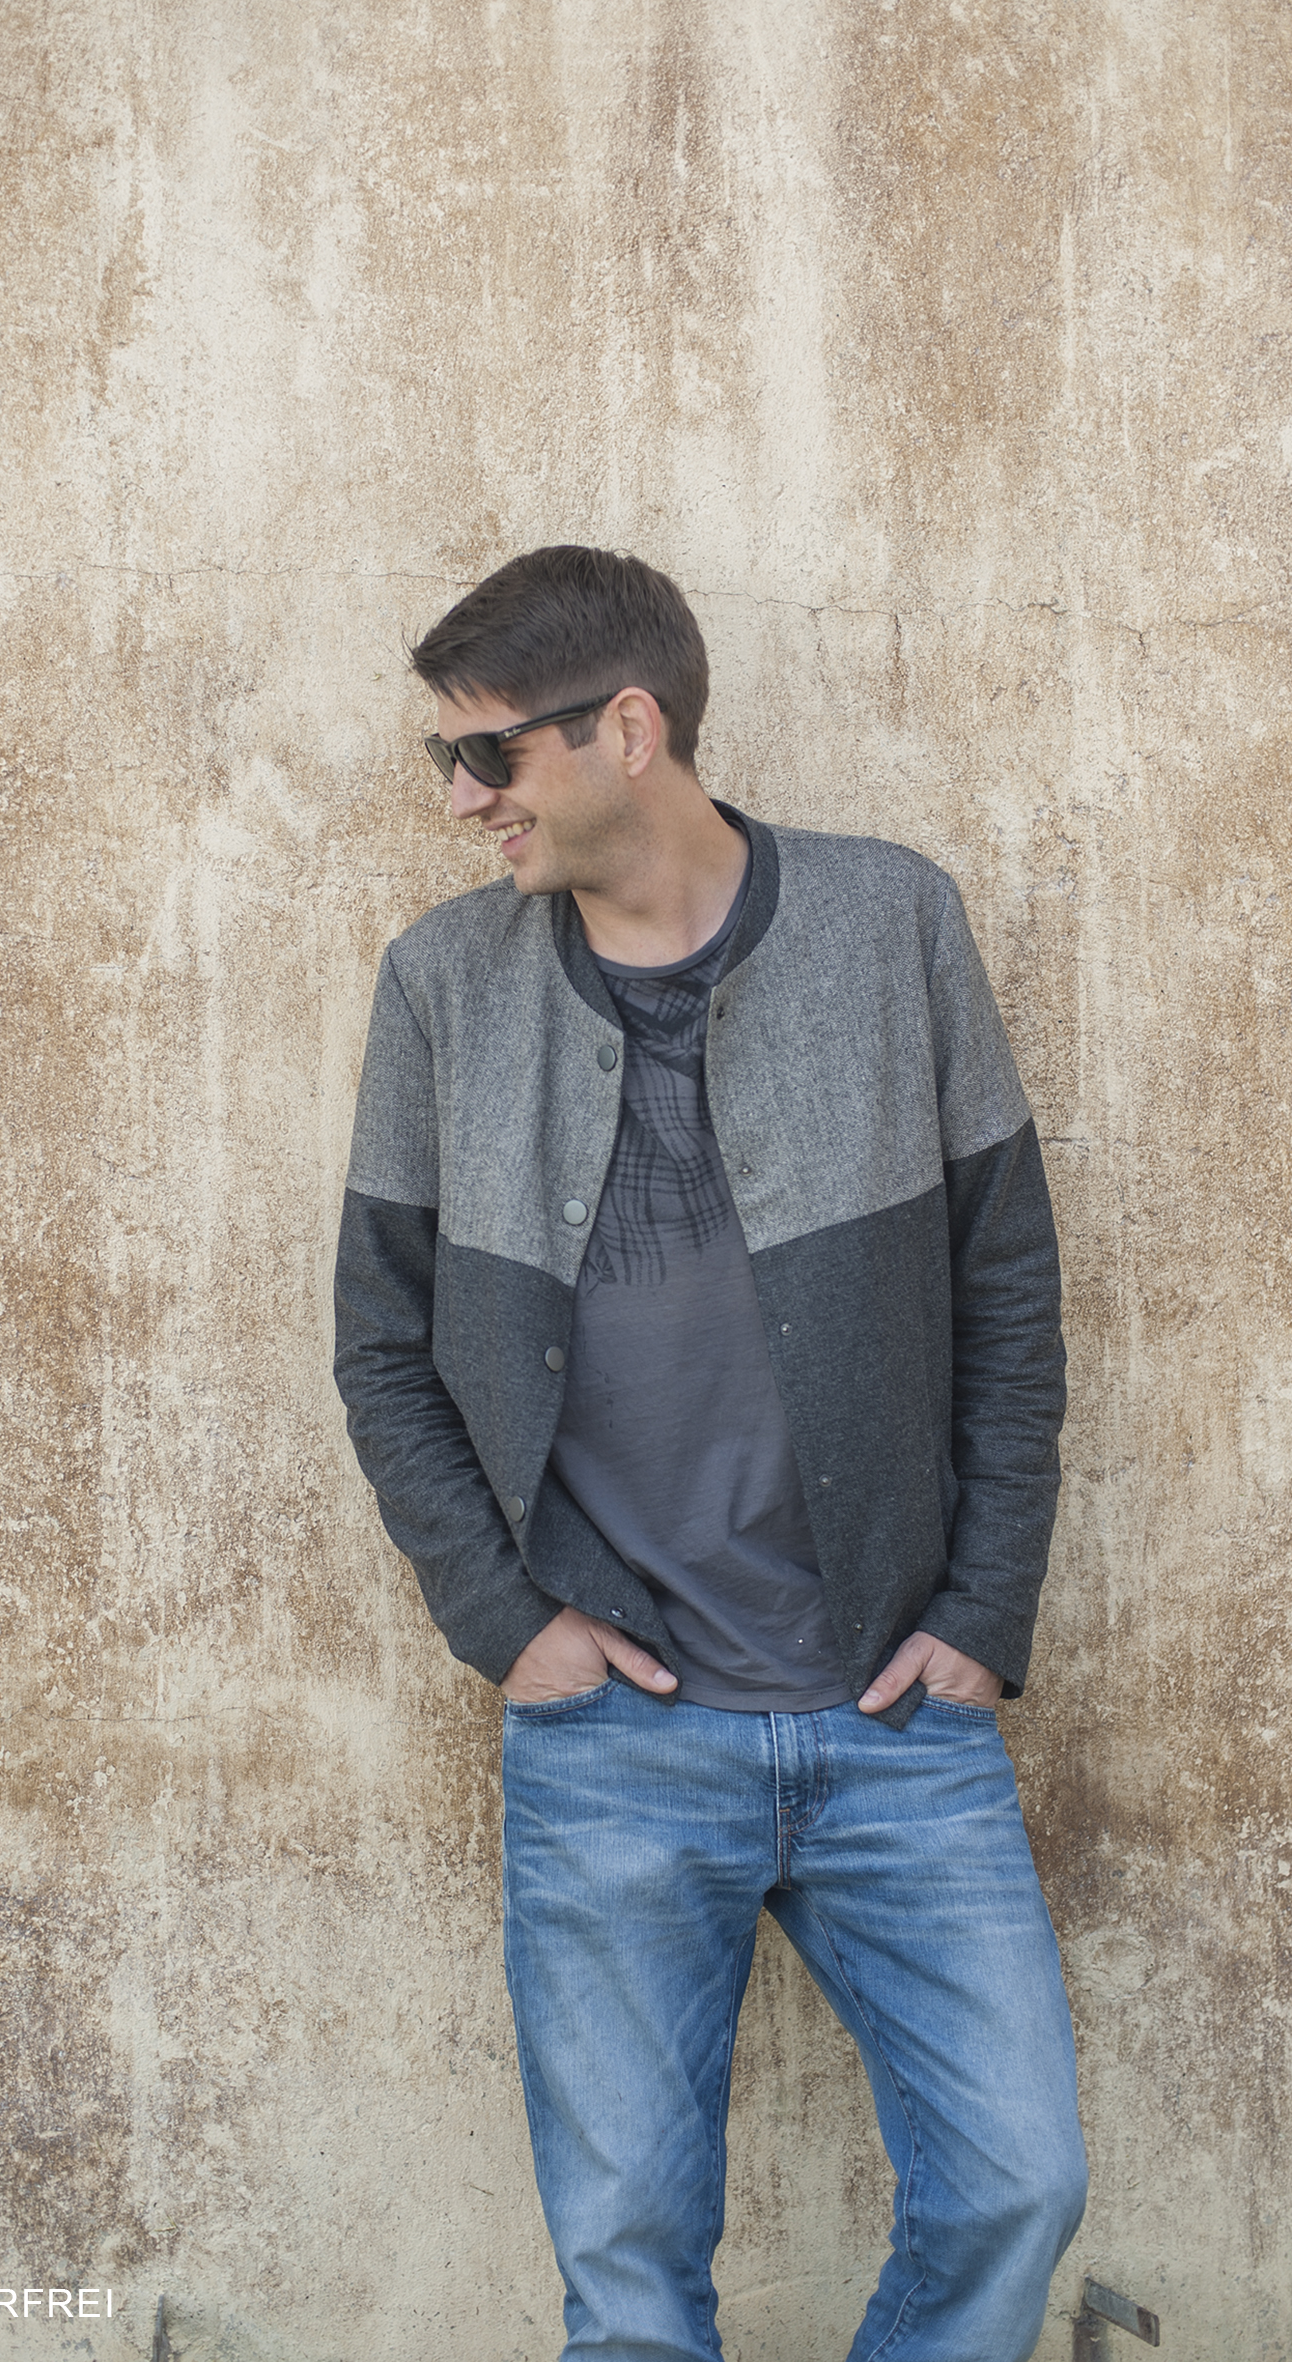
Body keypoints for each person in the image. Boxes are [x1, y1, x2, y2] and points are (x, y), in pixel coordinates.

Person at [332, 545, 1087, 2362]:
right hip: (614, 1740)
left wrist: (984, 1606)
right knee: (632, 2285)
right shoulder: (444, 985)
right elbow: (383, 1347)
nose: (463, 798)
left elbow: (1007, 1292)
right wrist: (508, 1622)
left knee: (1016, 2184)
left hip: (896, 1718)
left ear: (629, 729)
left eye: (488, 755)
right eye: (448, 758)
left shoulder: (894, 923)